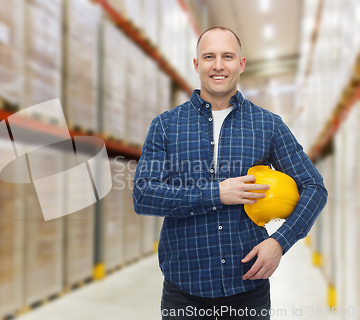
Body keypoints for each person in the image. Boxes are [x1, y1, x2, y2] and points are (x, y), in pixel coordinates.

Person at [132, 26, 328, 320]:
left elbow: (314, 186)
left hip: (247, 286)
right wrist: (217, 193)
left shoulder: (267, 124)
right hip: (184, 288)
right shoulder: (166, 125)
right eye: (209, 56)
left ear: (241, 63)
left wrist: (280, 242)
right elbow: (143, 194)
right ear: (197, 64)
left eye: (228, 56)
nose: (219, 65)